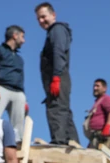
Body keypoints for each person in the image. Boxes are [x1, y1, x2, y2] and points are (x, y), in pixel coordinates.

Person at [35, 3, 80, 145]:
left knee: (57, 109)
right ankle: (72, 141)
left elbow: (58, 52)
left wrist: (56, 78)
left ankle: (59, 142)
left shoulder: (57, 30)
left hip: (58, 76)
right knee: (63, 109)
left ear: (53, 15)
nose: (41, 21)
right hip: (58, 76)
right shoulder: (54, 32)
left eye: (43, 16)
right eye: (38, 19)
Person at [0, 25, 28, 142]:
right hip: (1, 88)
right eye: (22, 37)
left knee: (18, 125)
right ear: (15, 36)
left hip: (18, 92)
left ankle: (17, 143)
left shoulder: (19, 59)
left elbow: (20, 78)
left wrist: (24, 99)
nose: (24, 41)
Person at [83, 78, 110, 149]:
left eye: (97, 86)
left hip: (101, 136)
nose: (95, 88)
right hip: (94, 137)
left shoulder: (106, 99)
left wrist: (107, 128)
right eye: (94, 86)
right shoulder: (97, 102)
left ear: (104, 88)